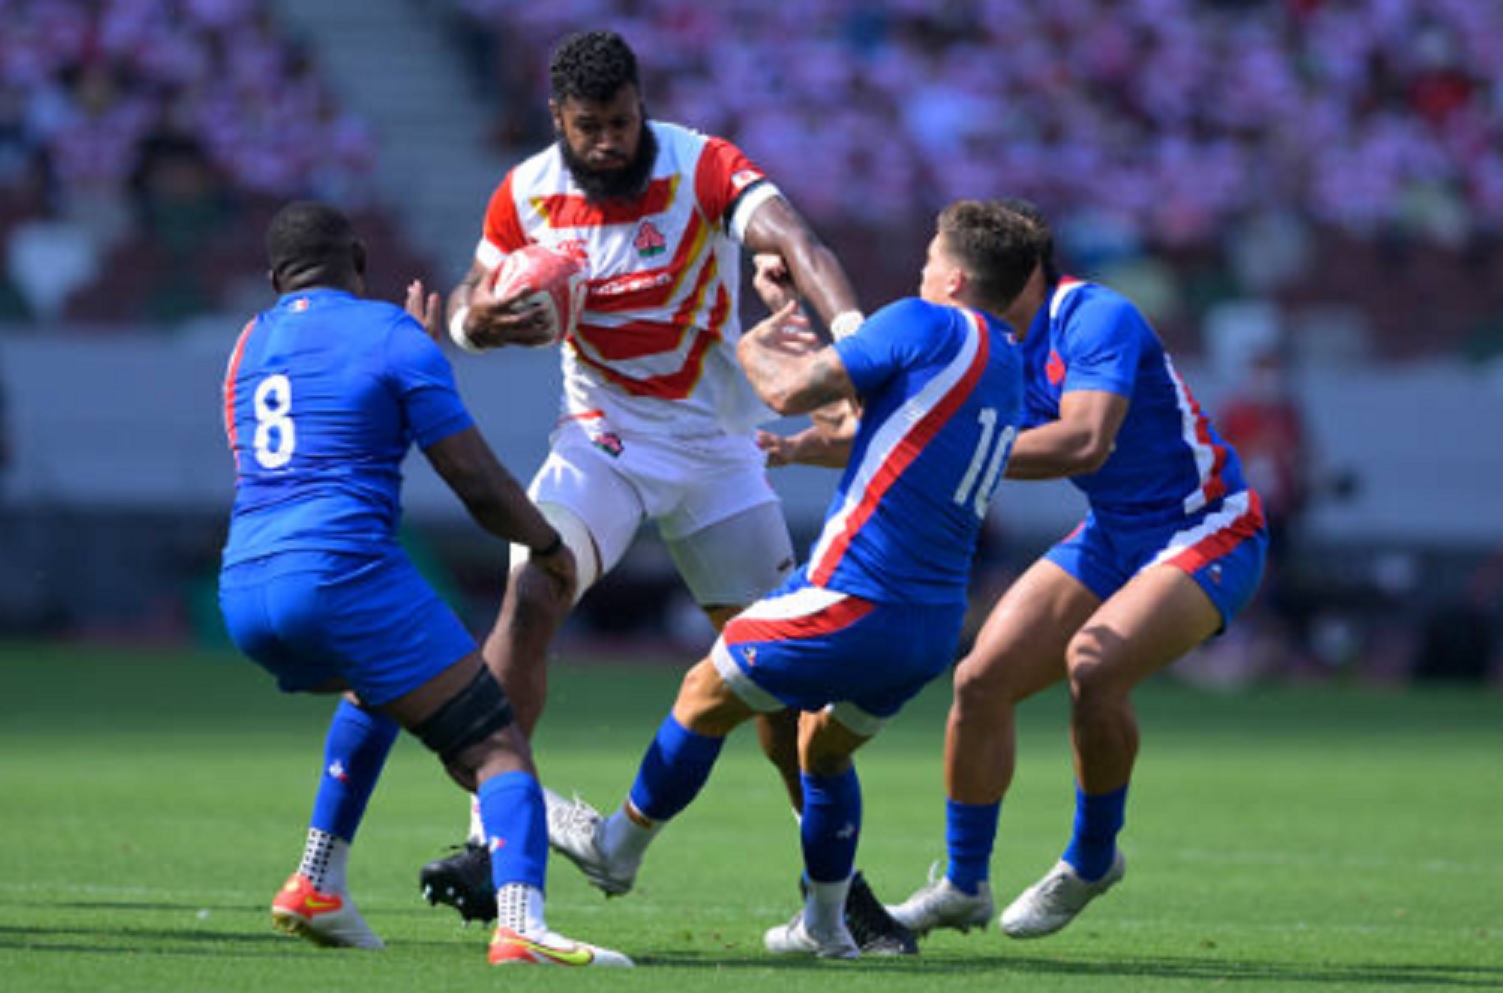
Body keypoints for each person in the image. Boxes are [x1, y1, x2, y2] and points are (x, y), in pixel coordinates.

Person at [411, 29, 915, 954]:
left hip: (722, 448)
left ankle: (837, 894)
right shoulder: (524, 192)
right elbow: (463, 311)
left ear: (644, 106)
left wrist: (855, 342)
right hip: (602, 437)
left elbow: (794, 237)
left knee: (781, 682)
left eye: (622, 120)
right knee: (531, 592)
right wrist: (475, 323)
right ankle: (497, 843)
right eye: (589, 126)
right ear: (558, 121)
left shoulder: (700, 165)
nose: (608, 140)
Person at [543, 199, 1035, 958]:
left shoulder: (925, 321)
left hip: (855, 592)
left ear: (957, 276)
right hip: (932, 622)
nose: (921, 268)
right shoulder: (1005, 363)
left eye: (931, 258)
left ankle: (616, 849)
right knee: (822, 751)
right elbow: (861, 423)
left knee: (702, 693)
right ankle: (828, 925)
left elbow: (785, 390)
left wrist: (743, 340)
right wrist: (789, 312)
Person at [216, 201, 630, 968]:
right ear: (362, 261)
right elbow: (471, 476)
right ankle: (521, 925)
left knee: (376, 681)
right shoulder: (392, 335)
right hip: (340, 574)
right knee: (496, 744)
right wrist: (546, 544)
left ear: (276, 280)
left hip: (242, 586)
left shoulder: (248, 343)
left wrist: (410, 351)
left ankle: (316, 881)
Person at [882, 198, 1269, 940]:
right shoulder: (978, 344)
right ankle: (963, 885)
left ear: (980, 275)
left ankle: (1091, 858)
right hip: (1114, 531)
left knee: (1093, 665)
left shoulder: (1094, 317)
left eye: (936, 262)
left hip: (1207, 525)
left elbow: (1084, 441)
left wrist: (945, 448)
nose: (925, 275)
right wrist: (804, 438)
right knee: (979, 679)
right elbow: (906, 435)